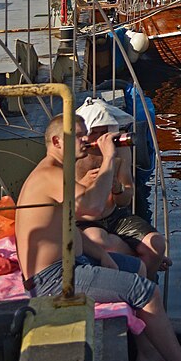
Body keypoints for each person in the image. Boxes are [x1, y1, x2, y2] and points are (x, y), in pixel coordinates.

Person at [15, 114, 181, 361]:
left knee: (138, 268)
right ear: (57, 141)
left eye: (85, 133)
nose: (86, 140)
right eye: (78, 135)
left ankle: (148, 353)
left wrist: (102, 254)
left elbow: (70, 228)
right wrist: (107, 159)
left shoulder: (58, 173)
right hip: (55, 279)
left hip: (72, 262)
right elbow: (92, 207)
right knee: (146, 292)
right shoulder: (49, 175)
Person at [74, 101, 170, 279]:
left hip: (114, 216)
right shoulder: (74, 154)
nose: (99, 138)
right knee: (99, 240)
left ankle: (145, 285)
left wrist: (117, 188)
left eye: (104, 132)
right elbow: (61, 197)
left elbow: (125, 199)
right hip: (83, 220)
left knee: (156, 243)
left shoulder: (119, 151)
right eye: (94, 132)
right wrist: (84, 182)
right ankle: (142, 263)